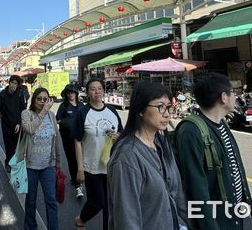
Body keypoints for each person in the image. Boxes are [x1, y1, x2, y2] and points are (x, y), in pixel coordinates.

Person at [175, 72, 252, 230]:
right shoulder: (191, 131)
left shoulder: (221, 123)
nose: (235, 96)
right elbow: (195, 188)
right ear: (223, 97)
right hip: (216, 222)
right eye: (233, 92)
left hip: (232, 217)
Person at [107, 82, 188, 229]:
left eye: (169, 107)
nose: (167, 113)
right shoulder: (126, 157)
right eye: (160, 107)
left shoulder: (162, 143)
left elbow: (178, 196)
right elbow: (127, 220)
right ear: (140, 110)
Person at [73, 78, 123, 230]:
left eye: (99, 88)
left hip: (110, 165)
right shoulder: (83, 112)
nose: (97, 92)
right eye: (93, 89)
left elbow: (122, 133)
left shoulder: (112, 111)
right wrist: (80, 168)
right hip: (91, 166)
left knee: (110, 206)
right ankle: (81, 219)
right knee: (98, 202)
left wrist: (119, 136)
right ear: (87, 92)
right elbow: (77, 141)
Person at [21, 88, 62, 230]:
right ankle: (30, 227)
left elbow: (55, 140)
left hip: (48, 165)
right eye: (39, 99)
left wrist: (58, 162)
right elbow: (30, 129)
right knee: (31, 201)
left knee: (51, 200)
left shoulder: (51, 115)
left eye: (45, 99)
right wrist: (44, 111)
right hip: (31, 165)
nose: (43, 102)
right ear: (34, 100)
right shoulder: (26, 114)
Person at [56, 84, 84, 199]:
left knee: (81, 158)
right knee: (72, 158)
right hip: (68, 138)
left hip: (81, 137)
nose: (70, 95)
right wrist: (64, 122)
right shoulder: (63, 106)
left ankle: (81, 175)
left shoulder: (82, 105)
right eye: (68, 93)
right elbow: (57, 119)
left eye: (72, 92)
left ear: (76, 93)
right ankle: (76, 181)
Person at [0, 75, 27, 172]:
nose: (14, 85)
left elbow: (23, 110)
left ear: (18, 85)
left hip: (17, 124)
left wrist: (19, 123)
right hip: (6, 125)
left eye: (16, 83)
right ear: (9, 83)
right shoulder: (1, 95)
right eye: (12, 83)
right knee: (9, 147)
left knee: (18, 147)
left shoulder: (20, 94)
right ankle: (8, 163)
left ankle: (17, 163)